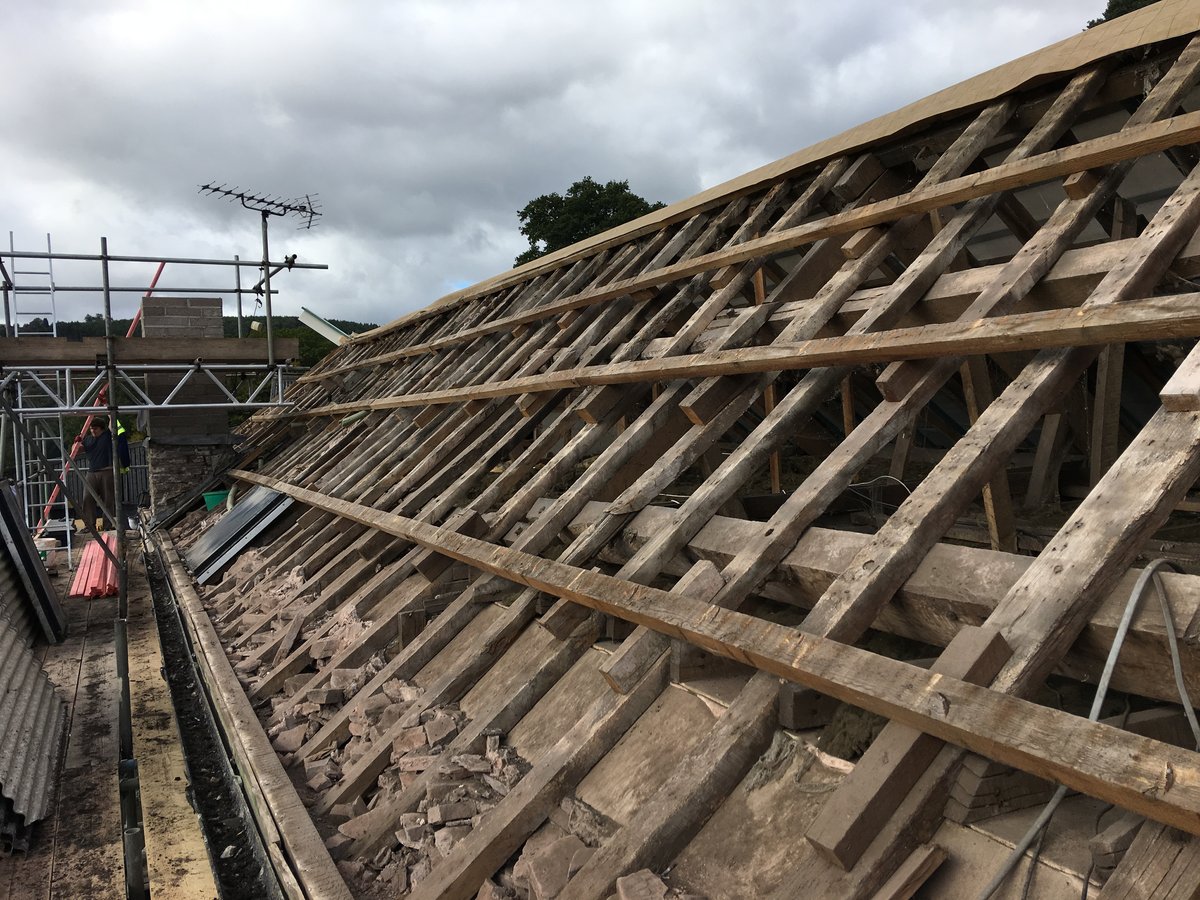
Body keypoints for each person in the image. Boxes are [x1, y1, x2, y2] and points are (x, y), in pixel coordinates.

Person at [74, 418, 130, 533]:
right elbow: (76, 451)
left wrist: (110, 412)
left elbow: (112, 424)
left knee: (108, 500)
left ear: (101, 429)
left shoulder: (107, 436)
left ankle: (107, 525)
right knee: (87, 499)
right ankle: (89, 526)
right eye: (91, 429)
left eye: (95, 429)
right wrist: (76, 442)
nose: (93, 431)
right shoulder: (88, 440)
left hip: (107, 472)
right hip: (92, 472)